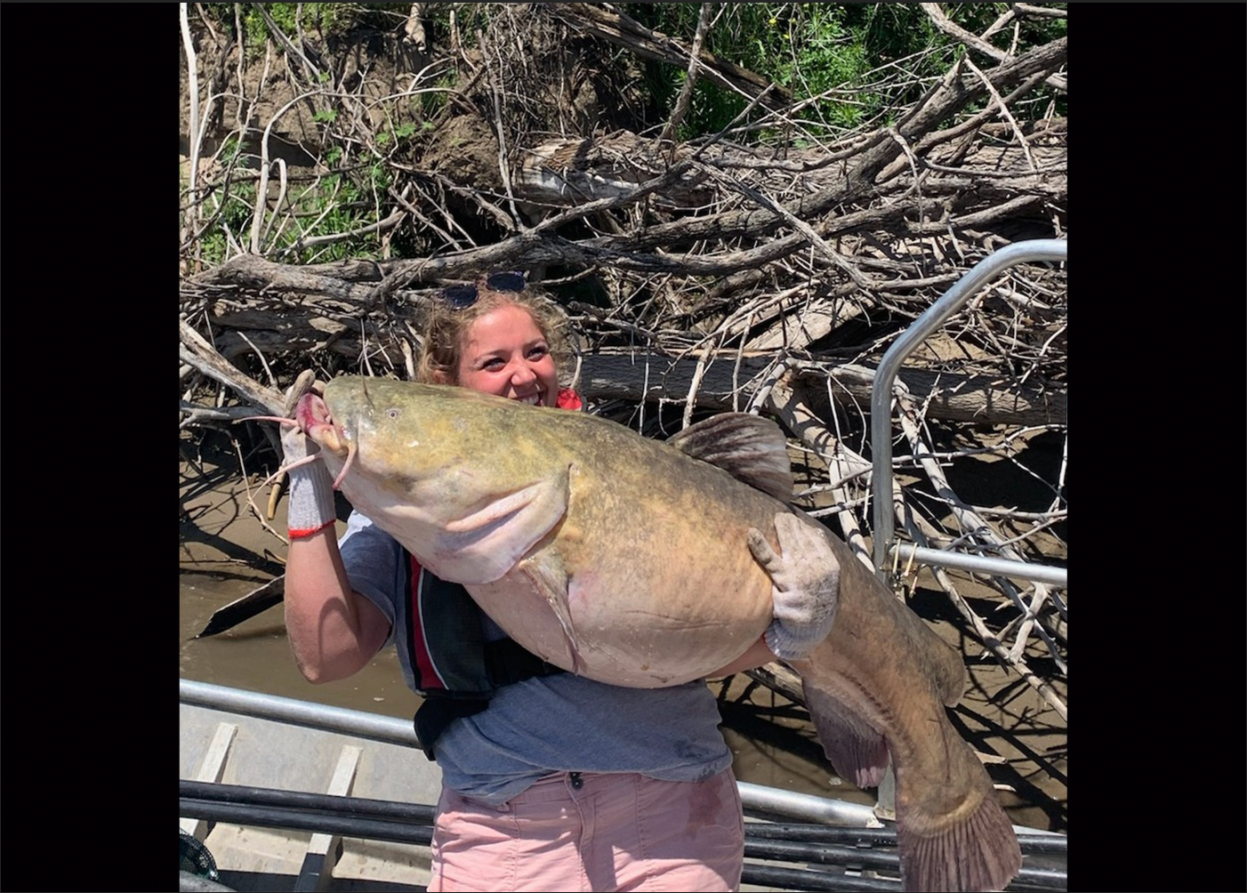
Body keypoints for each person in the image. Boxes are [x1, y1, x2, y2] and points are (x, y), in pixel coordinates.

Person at [279, 272, 840, 892]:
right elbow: (326, 658)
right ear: (446, 387)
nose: (524, 375)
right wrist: (307, 489)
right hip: (506, 823)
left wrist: (796, 633)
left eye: (536, 352)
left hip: (670, 805)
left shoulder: (627, 475)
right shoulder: (391, 515)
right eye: (494, 362)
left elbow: (679, 646)